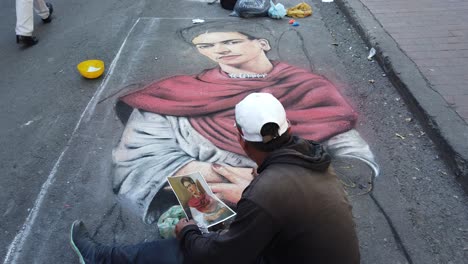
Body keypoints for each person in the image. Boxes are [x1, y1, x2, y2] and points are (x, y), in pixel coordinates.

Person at [112, 21, 378, 224]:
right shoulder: (172, 94)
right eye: (206, 46)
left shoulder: (308, 87)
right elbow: (141, 159)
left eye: (231, 41)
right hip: (210, 207)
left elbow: (354, 161)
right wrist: (219, 196)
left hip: (295, 213)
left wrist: (264, 189)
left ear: (262, 43)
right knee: (209, 243)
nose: (219, 50)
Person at [71, 92, 360, 264]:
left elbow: (216, 258)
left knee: (186, 250)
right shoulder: (312, 159)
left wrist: (186, 231)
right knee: (221, 223)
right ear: (287, 130)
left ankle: (100, 258)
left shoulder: (267, 193)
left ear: (242, 141)